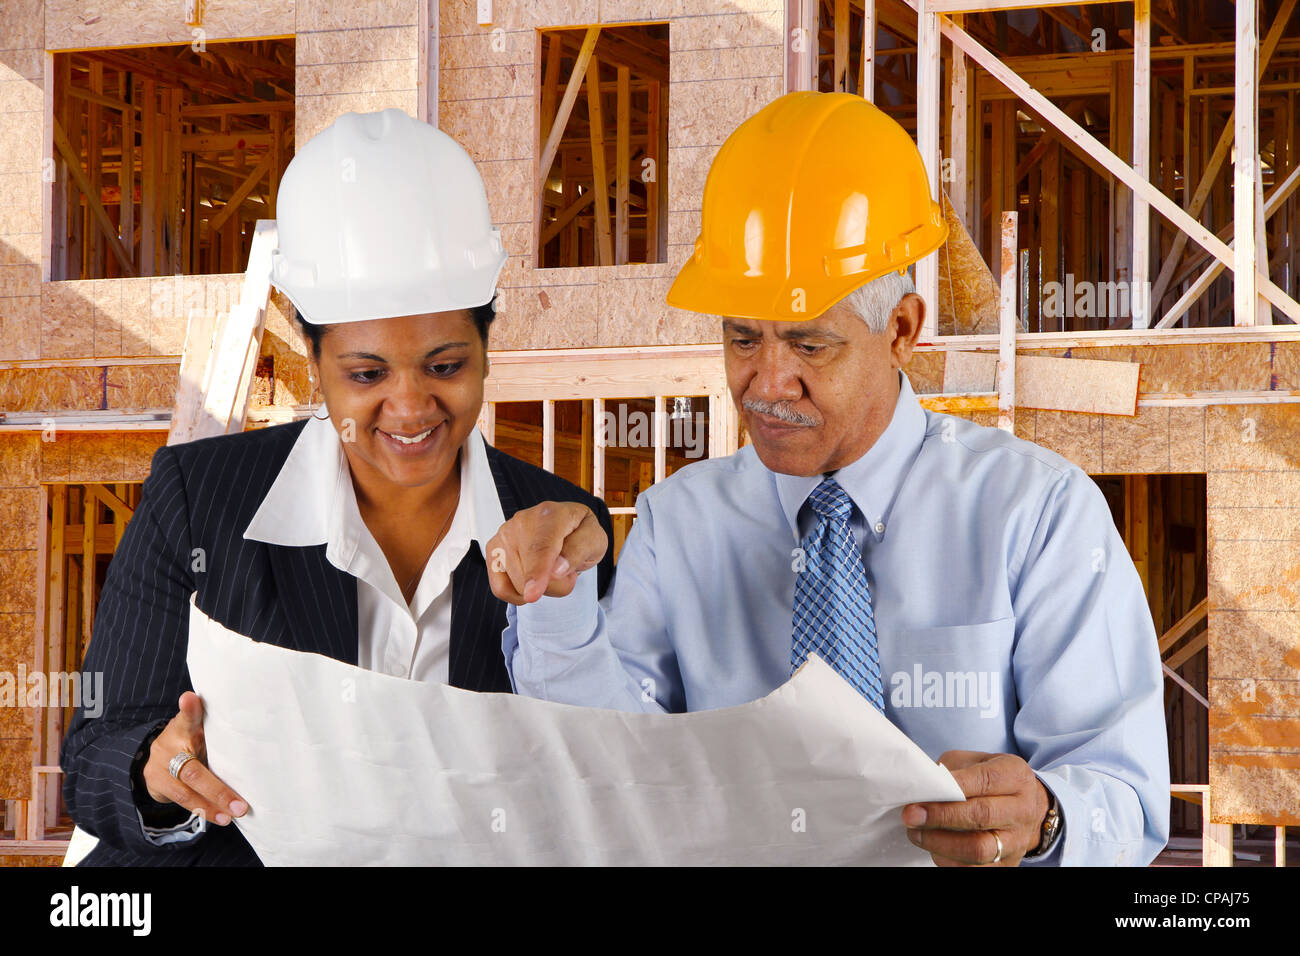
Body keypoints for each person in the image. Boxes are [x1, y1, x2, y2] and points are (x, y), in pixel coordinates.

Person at [486, 92, 1170, 867]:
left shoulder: (1038, 515)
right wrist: (559, 604)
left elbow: (1125, 798)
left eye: (810, 346)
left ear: (902, 330)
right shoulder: (679, 525)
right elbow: (609, 769)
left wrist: (1048, 820)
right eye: (742, 338)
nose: (766, 384)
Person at [59, 109, 614, 866]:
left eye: (445, 366)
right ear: (314, 357)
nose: (412, 407)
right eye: (366, 374)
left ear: (488, 344)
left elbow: (603, 786)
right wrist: (158, 772)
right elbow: (92, 754)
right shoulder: (201, 503)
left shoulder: (560, 536)